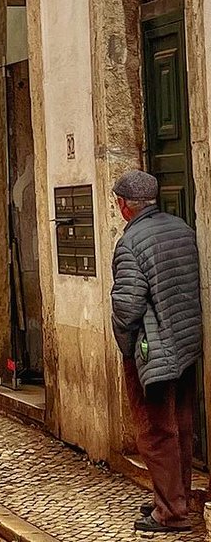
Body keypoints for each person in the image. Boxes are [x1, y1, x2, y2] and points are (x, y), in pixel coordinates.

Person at [111, 169, 202, 534]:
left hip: (153, 351)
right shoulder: (181, 228)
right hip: (185, 343)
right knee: (180, 424)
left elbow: (128, 306)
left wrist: (126, 343)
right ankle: (175, 497)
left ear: (123, 206)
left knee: (155, 431)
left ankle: (170, 512)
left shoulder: (131, 243)